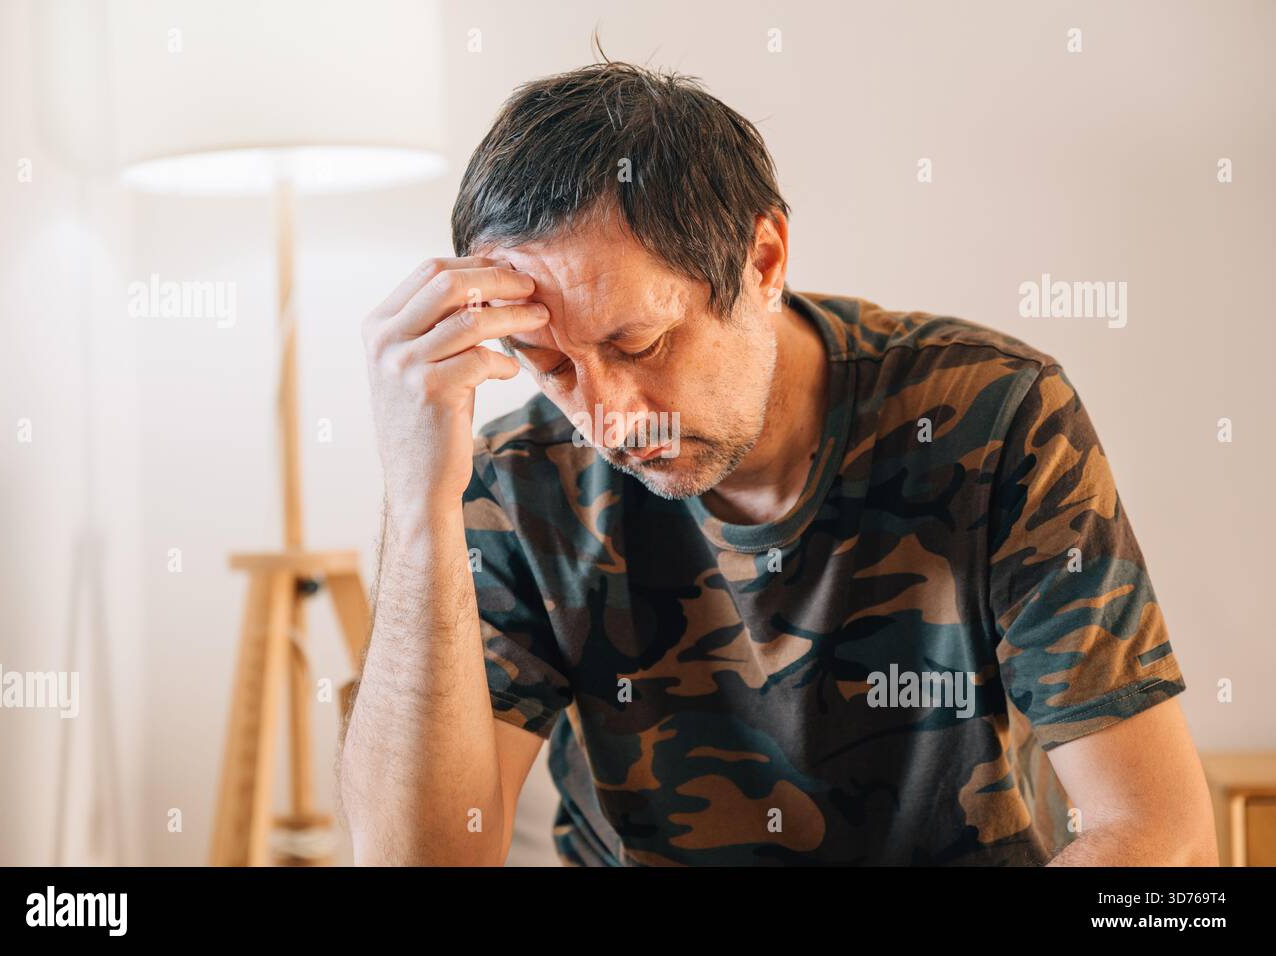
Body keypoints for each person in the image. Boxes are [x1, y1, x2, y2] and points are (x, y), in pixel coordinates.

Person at [339, 60, 1218, 866]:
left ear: (762, 260)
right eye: (555, 366)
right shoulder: (518, 480)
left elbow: (1161, 836)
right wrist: (421, 510)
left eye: (639, 343)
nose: (608, 420)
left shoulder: (991, 416)